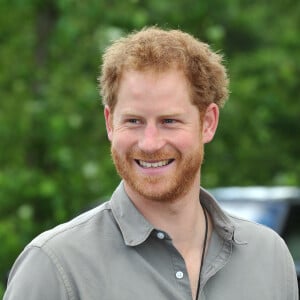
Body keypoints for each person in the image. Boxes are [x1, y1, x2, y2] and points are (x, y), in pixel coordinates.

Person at [4, 27, 298, 300]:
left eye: (169, 121)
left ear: (208, 123)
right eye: (133, 121)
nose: (150, 143)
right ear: (109, 123)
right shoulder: (55, 267)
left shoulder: (269, 257)